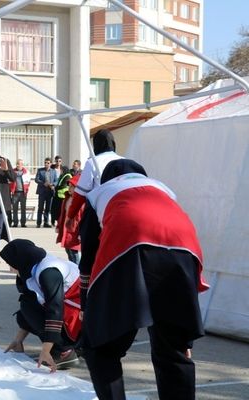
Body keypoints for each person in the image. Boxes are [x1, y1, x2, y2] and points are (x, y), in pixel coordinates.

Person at [80, 159, 209, 400]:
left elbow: (88, 254)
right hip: (184, 253)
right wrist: (185, 335)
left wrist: (87, 306)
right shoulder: (163, 191)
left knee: (100, 347)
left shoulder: (100, 193)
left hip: (130, 248)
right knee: (173, 350)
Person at [0, 239, 81, 371]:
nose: (11, 269)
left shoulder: (48, 272)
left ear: (20, 261)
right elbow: (28, 307)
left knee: (29, 306)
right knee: (24, 310)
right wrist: (18, 340)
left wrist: (45, 349)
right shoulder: (32, 269)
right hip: (73, 313)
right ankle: (67, 346)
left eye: (11, 264)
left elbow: (55, 309)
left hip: (83, 318)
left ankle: (63, 352)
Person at [66, 128, 123, 224]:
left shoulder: (92, 162)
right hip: (120, 209)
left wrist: (70, 216)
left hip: (99, 212)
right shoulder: (123, 160)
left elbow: (80, 194)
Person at [55, 174, 83, 264]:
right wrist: (59, 225)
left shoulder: (81, 202)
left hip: (75, 230)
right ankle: (74, 268)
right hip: (66, 228)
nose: (69, 189)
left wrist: (81, 233)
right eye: (69, 186)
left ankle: (77, 270)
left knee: (73, 251)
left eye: (72, 187)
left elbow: (82, 218)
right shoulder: (67, 199)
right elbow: (62, 214)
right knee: (68, 250)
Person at [34, 157, 56, 228]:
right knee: (40, 207)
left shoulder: (53, 171)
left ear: (50, 164)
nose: (46, 164)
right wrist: (43, 183)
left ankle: (46, 222)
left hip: (50, 192)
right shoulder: (40, 170)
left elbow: (56, 180)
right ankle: (38, 223)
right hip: (42, 192)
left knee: (47, 208)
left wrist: (53, 185)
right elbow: (36, 179)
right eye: (45, 163)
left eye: (48, 163)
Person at [9, 159, 31, 228]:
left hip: (23, 193)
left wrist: (26, 190)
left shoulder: (26, 172)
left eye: (20, 164)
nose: (18, 165)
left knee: (23, 209)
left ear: (22, 164)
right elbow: (9, 181)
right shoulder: (12, 171)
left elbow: (28, 181)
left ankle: (23, 223)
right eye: (17, 163)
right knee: (15, 209)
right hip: (15, 193)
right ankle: (15, 223)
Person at [51, 157, 72, 227]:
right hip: (59, 195)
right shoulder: (62, 175)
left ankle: (61, 223)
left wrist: (55, 187)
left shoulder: (68, 176)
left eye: (62, 170)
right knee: (56, 210)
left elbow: (63, 185)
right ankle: (57, 222)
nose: (61, 171)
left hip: (63, 196)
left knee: (61, 211)